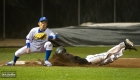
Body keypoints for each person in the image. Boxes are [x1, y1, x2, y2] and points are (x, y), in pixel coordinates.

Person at [54, 39, 137, 66]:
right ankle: (125, 47)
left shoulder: (66, 57)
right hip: (91, 64)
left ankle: (123, 44)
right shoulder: (66, 58)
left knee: (106, 55)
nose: (64, 53)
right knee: (109, 59)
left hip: (90, 60)